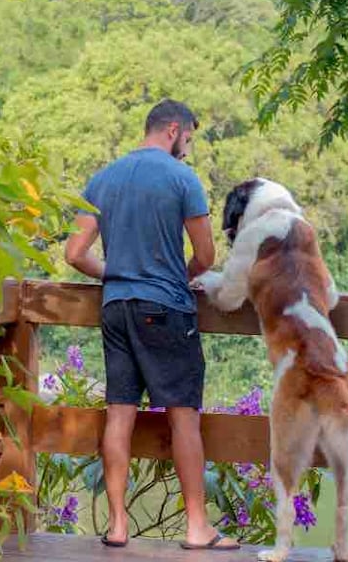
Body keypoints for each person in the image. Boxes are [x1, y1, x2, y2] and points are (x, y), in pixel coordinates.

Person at [65, 99, 239, 551]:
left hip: (116, 307)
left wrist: (117, 273)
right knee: (184, 418)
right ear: (174, 130)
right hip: (165, 310)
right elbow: (205, 257)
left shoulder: (103, 179)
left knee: (119, 414)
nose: (188, 148)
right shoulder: (182, 179)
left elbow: (74, 254)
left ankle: (118, 524)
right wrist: (172, 277)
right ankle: (197, 527)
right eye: (189, 139)